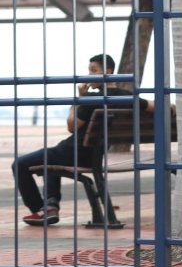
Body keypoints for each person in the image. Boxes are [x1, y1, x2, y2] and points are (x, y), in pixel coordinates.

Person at [11, 53, 154, 226]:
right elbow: (154, 106)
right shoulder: (126, 97)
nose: (88, 75)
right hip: (95, 154)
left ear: (107, 72)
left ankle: (41, 209)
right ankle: (50, 205)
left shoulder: (91, 99)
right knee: (48, 160)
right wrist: (173, 108)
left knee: (19, 164)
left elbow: (71, 125)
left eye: (93, 70)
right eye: (88, 70)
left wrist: (78, 99)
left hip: (73, 151)